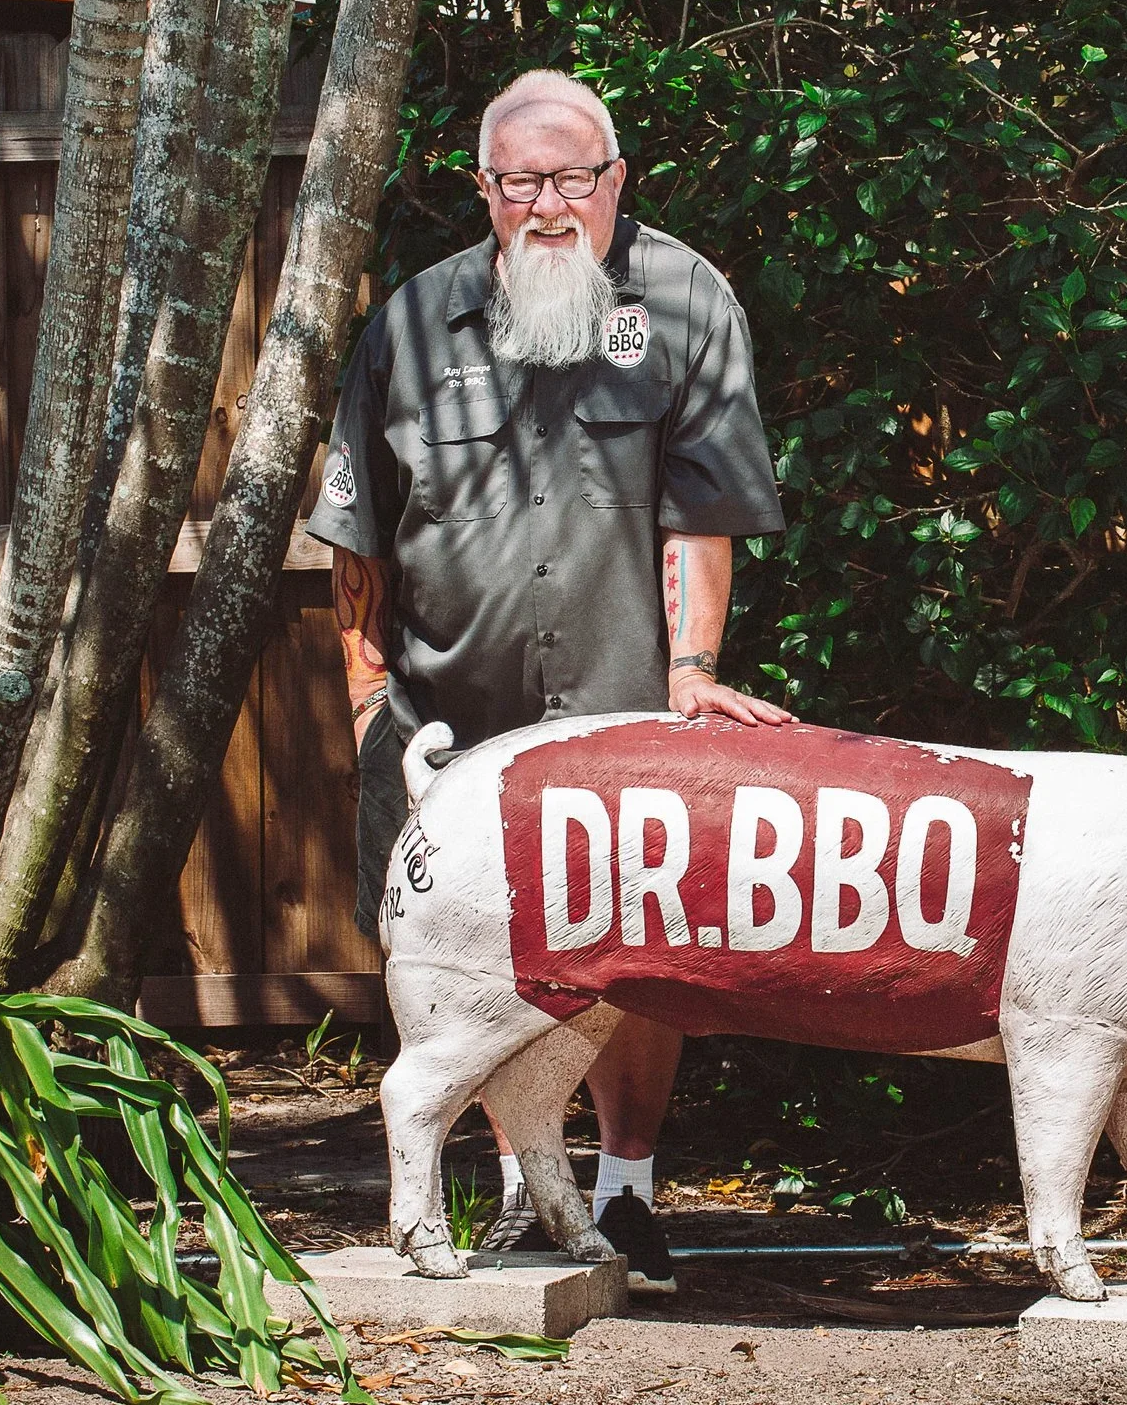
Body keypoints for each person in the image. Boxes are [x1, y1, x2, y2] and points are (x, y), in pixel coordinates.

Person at [308, 69, 791, 1296]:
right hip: (444, 718)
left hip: (627, 709)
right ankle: (532, 1187)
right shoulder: (413, 322)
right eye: (521, 182)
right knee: (470, 958)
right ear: (485, 190)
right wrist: (369, 700)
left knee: (643, 955)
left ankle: (625, 1188)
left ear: (616, 180)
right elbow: (355, 530)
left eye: (574, 178)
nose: (550, 205)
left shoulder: (683, 300)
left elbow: (703, 512)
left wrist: (690, 673)